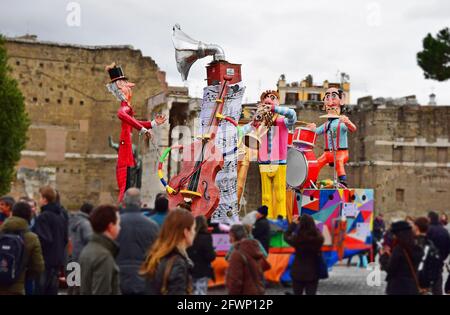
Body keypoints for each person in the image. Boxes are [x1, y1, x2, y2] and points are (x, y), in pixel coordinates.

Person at [105, 63, 167, 203]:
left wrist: (152, 124)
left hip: (126, 148)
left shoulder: (127, 107)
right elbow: (122, 115)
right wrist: (143, 129)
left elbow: (132, 121)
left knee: (128, 184)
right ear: (120, 86)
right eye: (126, 84)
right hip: (125, 148)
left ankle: (125, 206)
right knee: (125, 185)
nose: (130, 86)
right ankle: (124, 207)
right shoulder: (124, 108)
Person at [241, 90, 297, 218]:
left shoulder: (283, 121)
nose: (269, 99)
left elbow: (292, 115)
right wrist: (254, 121)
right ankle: (267, 220)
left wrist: (274, 108)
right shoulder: (260, 122)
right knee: (265, 197)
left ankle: (280, 221)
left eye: (273, 98)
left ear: (277, 102)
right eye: (266, 99)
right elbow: (242, 131)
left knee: (280, 195)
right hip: (264, 162)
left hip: (280, 162)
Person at [307, 88, 356, 187]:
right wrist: (312, 129)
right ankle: (312, 182)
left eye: (333, 96)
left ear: (341, 101)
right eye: (327, 97)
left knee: (338, 161)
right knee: (317, 163)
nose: (330, 101)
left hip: (341, 152)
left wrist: (348, 122)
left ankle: (343, 182)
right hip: (327, 153)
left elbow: (353, 128)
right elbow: (316, 132)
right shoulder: (326, 124)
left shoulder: (342, 122)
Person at [141, 208, 196, 295]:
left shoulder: (155, 256)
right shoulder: (178, 263)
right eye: (193, 229)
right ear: (186, 232)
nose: (194, 233)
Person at [116, 188, 159, 295]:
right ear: (140, 203)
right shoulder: (152, 226)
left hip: (118, 276)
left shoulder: (115, 225)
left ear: (124, 203)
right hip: (144, 277)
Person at [0, 202, 44, 295]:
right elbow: (38, 267)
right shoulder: (32, 238)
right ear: (29, 216)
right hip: (16, 289)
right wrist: (23, 273)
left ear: (12, 213)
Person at [32, 186, 68, 295]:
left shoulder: (44, 217)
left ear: (44, 199)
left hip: (45, 262)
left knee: (41, 290)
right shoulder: (61, 216)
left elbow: (43, 239)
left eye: (40, 197)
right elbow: (65, 238)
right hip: (57, 261)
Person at [79, 205, 121, 295]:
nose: (119, 228)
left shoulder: (88, 249)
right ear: (110, 226)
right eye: (118, 224)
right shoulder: (103, 256)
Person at [284, 214, 324, 295]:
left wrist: (293, 224)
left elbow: (286, 236)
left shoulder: (297, 239)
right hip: (313, 271)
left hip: (298, 271)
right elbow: (318, 233)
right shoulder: (318, 239)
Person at [380, 221, 423, 295]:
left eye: (394, 234)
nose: (393, 236)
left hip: (398, 287)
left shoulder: (399, 249)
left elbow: (390, 269)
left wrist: (384, 256)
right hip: (412, 287)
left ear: (399, 234)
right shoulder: (417, 247)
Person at [226, 224, 270, 295]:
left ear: (234, 236)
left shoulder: (237, 254)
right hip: (258, 289)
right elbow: (265, 257)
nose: (229, 240)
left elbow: (235, 281)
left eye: (230, 236)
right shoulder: (255, 245)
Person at [67, 202, 93, 295]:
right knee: (79, 287)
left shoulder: (71, 220)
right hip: (81, 258)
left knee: (71, 285)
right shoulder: (85, 223)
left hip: (71, 257)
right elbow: (90, 239)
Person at [186, 215, 216, 295]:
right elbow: (210, 256)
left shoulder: (190, 236)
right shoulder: (206, 237)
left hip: (190, 270)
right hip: (202, 271)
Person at [426, 211, 450, 295]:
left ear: (429, 218)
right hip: (439, 262)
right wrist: (442, 258)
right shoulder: (444, 231)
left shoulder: (428, 230)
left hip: (427, 263)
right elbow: (448, 248)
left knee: (425, 287)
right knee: (437, 287)